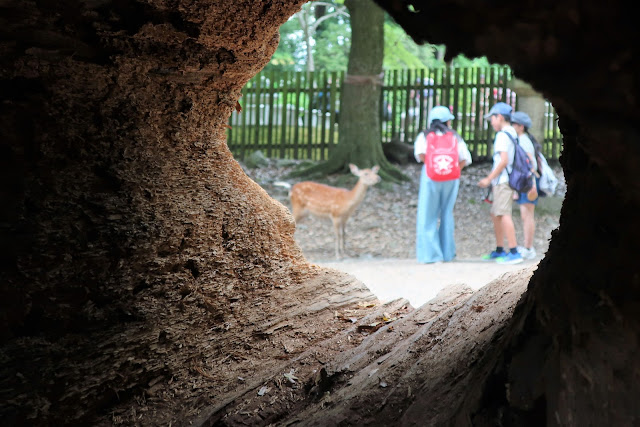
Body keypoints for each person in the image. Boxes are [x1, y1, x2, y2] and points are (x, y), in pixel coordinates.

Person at [414, 106, 472, 263]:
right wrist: (452, 170)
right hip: (451, 179)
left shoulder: (425, 135)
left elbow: (419, 154)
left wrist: (433, 166)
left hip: (430, 177)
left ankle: (432, 255)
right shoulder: (454, 136)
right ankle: (448, 253)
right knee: (447, 213)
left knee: (428, 215)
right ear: (447, 121)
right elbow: (465, 158)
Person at [477, 102, 523, 264]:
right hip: (503, 180)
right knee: (496, 213)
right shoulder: (512, 133)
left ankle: (514, 251)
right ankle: (499, 249)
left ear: (500, 117)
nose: (491, 122)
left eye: (492, 118)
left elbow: (503, 161)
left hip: (503, 181)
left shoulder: (503, 135)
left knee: (503, 214)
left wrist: (488, 179)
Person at [511, 111, 540, 259]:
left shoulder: (523, 141)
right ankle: (528, 247)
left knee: (527, 215)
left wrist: (532, 184)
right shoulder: (524, 139)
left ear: (520, 126)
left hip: (528, 181)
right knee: (526, 214)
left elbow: (531, 164)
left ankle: (529, 248)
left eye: (513, 124)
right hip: (527, 181)